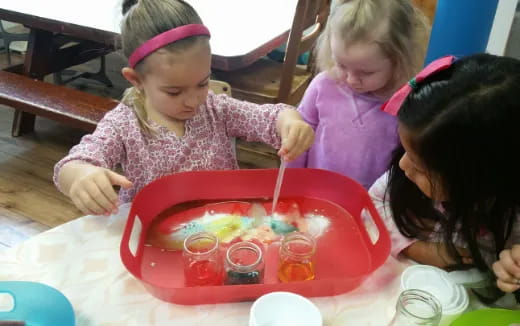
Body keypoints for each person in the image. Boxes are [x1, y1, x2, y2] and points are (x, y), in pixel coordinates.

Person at [54, 0, 314, 216]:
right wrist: (81, 176)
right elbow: (74, 164)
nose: (193, 101)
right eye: (174, 92)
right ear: (136, 79)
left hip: (224, 227)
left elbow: (271, 116)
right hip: (155, 241)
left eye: (202, 83)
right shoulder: (123, 125)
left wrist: (290, 123)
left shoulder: (216, 109)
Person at [369, 53, 520, 302]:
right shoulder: (408, 172)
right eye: (405, 151)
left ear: (477, 179)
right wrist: (417, 248)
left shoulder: (510, 217)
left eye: (421, 167)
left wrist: (511, 272)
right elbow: (372, 206)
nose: (404, 165)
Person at [287, 0, 429, 189]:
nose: (352, 80)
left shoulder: (406, 103)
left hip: (370, 204)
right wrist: (291, 184)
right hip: (316, 196)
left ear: (400, 61)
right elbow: (300, 139)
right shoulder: (323, 86)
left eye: (366, 72)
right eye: (342, 65)